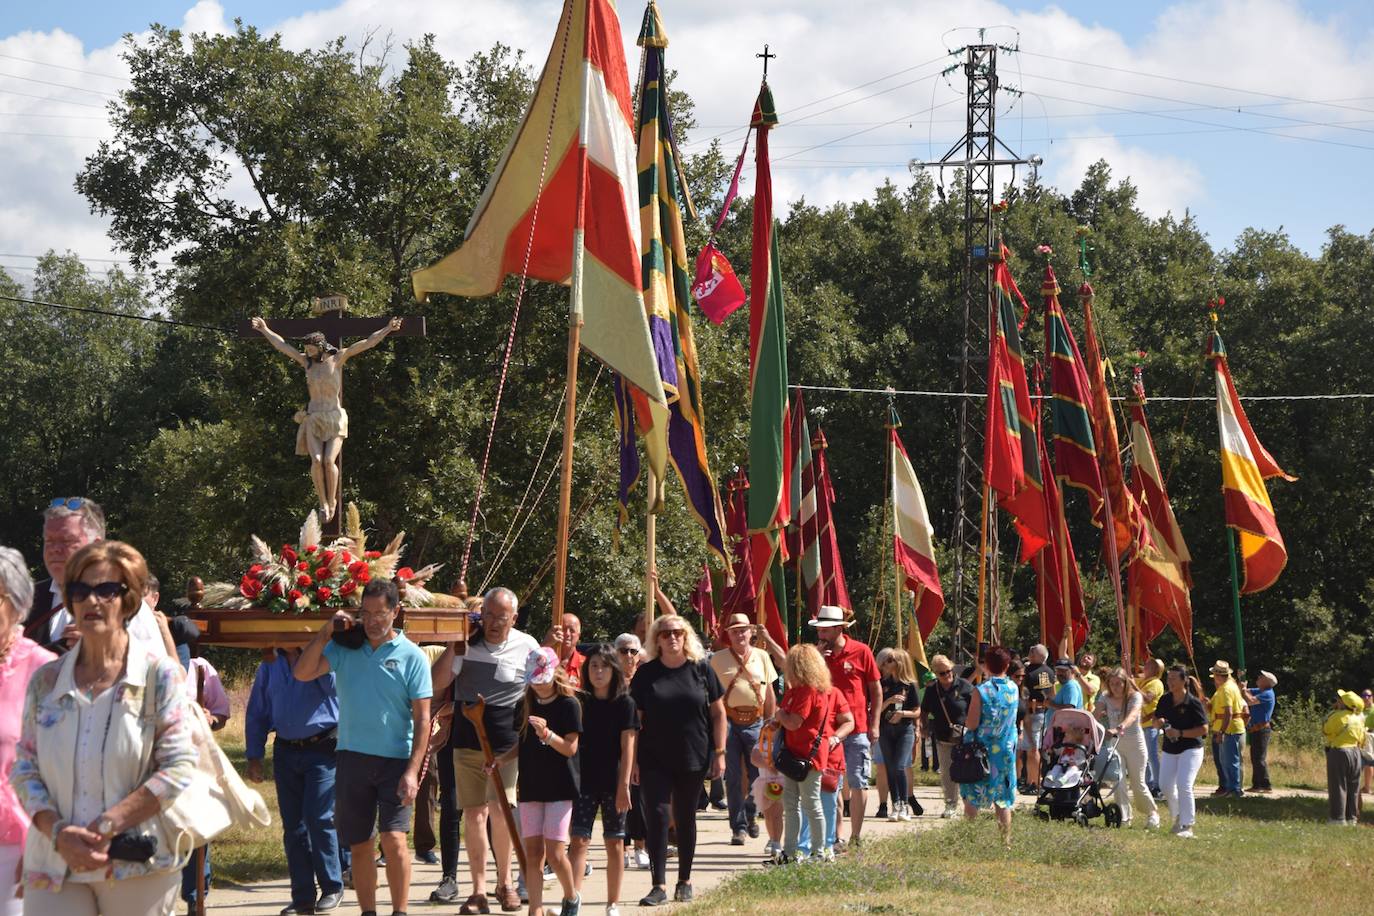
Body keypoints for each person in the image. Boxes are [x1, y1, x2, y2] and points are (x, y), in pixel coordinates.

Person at [10, 541, 196, 914]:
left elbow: (178, 767)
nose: (91, 601)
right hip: (54, 859)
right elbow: (24, 767)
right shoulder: (46, 680)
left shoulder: (159, 676)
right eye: (79, 591)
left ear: (128, 600)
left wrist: (107, 825)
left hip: (138, 860)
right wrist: (59, 833)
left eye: (106, 589)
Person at [294, 579, 433, 916]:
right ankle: (368, 911)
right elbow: (302, 672)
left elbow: (424, 718)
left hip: (396, 761)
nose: (371, 621)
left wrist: (413, 771)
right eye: (365, 613)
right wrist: (327, 631)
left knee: (395, 840)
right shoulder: (345, 649)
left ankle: (399, 911)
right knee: (360, 844)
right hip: (352, 757)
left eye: (380, 613)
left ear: (396, 612)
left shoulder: (412, 656)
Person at [431, 587, 539, 914]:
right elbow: (436, 683)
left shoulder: (527, 646)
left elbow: (544, 686)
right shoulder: (467, 644)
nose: (492, 623)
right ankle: (477, 891)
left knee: (501, 814)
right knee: (475, 814)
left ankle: (505, 883)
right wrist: (455, 643)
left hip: (505, 747)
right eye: (488, 615)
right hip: (466, 742)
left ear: (514, 618)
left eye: (500, 618)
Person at [249, 315, 405, 521]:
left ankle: (332, 501)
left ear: (321, 346)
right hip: (313, 418)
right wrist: (264, 329)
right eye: (307, 349)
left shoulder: (338, 358)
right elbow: (282, 345)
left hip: (334, 417)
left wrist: (387, 329)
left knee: (329, 460)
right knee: (317, 460)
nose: (308, 352)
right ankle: (323, 503)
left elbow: (368, 342)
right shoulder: (307, 363)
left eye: (312, 349)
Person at [630, 614, 725, 906]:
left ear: (686, 637)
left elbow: (719, 714)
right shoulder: (647, 674)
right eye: (666, 633)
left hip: (693, 756)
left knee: (685, 818)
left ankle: (684, 880)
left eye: (678, 633)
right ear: (657, 639)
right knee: (657, 817)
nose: (672, 638)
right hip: (653, 757)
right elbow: (635, 720)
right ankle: (658, 884)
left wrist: (719, 753)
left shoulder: (702, 669)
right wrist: (632, 761)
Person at [246, 646, 346, 916]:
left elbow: (337, 691)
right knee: (293, 826)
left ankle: (332, 887)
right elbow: (258, 710)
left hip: (323, 747)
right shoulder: (269, 663)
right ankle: (302, 896)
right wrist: (254, 755)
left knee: (319, 817)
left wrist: (310, 655)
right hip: (286, 750)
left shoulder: (325, 656)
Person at [487, 648, 581, 916]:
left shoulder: (568, 705)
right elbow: (522, 743)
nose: (539, 684)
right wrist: (501, 760)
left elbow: (570, 748)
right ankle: (535, 909)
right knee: (532, 853)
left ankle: (571, 895)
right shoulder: (525, 703)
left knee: (555, 853)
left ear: (555, 674)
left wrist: (548, 734)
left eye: (543, 677)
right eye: (534, 679)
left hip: (560, 787)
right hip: (531, 786)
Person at [0, 548, 58, 915]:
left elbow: (64, 766)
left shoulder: (44, 672)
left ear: (15, 602)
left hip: (17, 847)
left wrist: (46, 844)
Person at [567, 645, 636, 916]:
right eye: (593, 665)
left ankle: (612, 903)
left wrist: (624, 785)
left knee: (615, 842)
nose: (598, 671)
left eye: (604, 666)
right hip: (583, 779)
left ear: (613, 669)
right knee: (579, 840)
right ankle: (572, 900)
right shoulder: (579, 700)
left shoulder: (625, 702)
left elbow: (628, 745)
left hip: (613, 780)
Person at [170, 619, 230, 911]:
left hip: (194, 759)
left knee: (194, 825)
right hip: (157, 759)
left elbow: (221, 714)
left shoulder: (201, 669)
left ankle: (195, 894)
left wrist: (210, 719)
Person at [810, 606, 881, 844]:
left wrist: (875, 723)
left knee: (858, 780)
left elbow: (875, 689)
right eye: (819, 628)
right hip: (827, 731)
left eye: (826, 629)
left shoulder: (861, 651)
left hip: (858, 728)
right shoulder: (815, 655)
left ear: (839, 628)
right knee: (832, 784)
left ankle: (856, 835)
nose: (821, 633)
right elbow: (804, 686)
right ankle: (836, 836)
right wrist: (817, 661)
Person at [776, 644, 853, 864]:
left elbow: (793, 722)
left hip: (808, 757)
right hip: (793, 755)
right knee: (791, 804)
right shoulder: (795, 690)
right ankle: (790, 851)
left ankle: (820, 851)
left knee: (811, 804)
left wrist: (779, 714)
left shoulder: (808, 692)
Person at [708, 613, 778, 845]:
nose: (739, 634)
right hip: (728, 721)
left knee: (757, 773)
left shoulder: (762, 657)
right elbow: (710, 695)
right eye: (735, 630)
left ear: (751, 633)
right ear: (728, 634)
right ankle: (737, 827)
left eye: (743, 630)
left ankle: (751, 811)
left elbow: (769, 692)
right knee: (734, 777)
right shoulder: (717, 659)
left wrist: (771, 721)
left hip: (756, 721)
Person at [22, 498, 105, 652]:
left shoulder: (124, 601)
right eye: (49, 541)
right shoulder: (26, 600)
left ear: (96, 546)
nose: (55, 549)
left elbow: (154, 669)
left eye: (66, 540)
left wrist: (103, 647)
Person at [959, 646, 1018, 845]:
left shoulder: (981, 690)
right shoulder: (1013, 688)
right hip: (1005, 749)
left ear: (985, 664)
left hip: (981, 752)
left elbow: (973, 723)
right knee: (1002, 797)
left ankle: (969, 840)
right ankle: (1006, 842)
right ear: (1007, 665)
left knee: (973, 792)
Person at [1094, 668, 1160, 828]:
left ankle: (1152, 813)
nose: (1115, 687)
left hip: (1135, 744)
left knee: (1138, 784)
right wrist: (1086, 724)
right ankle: (1124, 818)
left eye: (1119, 683)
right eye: (1112, 683)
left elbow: (1133, 715)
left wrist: (1119, 727)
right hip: (1115, 746)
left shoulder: (1135, 696)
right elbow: (1096, 713)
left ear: (1126, 683)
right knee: (1119, 782)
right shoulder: (1105, 696)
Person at [1152, 665, 1210, 838]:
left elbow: (1204, 729)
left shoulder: (1193, 702)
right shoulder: (1165, 700)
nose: (1170, 682)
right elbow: (1155, 721)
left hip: (1191, 748)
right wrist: (1159, 722)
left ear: (1184, 680)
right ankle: (1178, 816)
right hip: (1170, 748)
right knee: (1165, 785)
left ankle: (1187, 825)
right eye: (1168, 678)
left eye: (1173, 679)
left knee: (1184, 784)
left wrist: (1180, 733)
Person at [612, 634, 650, 872]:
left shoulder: (644, 682)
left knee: (640, 797)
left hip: (642, 746)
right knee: (618, 795)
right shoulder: (610, 682)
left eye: (633, 651)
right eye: (623, 651)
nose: (628, 656)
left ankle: (640, 846)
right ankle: (622, 846)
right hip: (614, 746)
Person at [919, 654, 974, 818]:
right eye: (942, 673)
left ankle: (969, 805)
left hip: (965, 737)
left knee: (966, 772)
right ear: (936, 674)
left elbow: (976, 709)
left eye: (949, 671)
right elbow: (924, 711)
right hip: (943, 737)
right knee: (947, 772)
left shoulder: (965, 686)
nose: (947, 675)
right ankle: (950, 804)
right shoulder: (932, 690)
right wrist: (924, 726)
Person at [877, 649, 919, 822]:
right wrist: (889, 701)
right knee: (890, 767)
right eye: (884, 661)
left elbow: (917, 711)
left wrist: (904, 714)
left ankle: (904, 805)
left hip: (904, 730)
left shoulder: (909, 685)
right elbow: (875, 710)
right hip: (885, 730)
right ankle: (896, 805)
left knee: (900, 766)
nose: (885, 664)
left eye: (889, 660)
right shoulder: (881, 683)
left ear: (899, 663)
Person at [1325, 690, 1367, 826]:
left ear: (1344, 703)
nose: (1338, 700)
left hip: (1339, 752)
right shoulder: (1359, 719)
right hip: (1356, 752)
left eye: (1340, 699)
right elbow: (1362, 738)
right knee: (1353, 786)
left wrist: (1334, 712)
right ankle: (1352, 818)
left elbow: (1325, 730)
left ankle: (1338, 819)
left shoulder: (1337, 716)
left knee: (1338, 785)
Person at [1208, 660, 1246, 798]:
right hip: (1230, 727)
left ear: (1218, 676)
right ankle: (1231, 788)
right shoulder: (1231, 686)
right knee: (1228, 760)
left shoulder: (1225, 689)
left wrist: (1221, 732)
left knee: (1230, 761)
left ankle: (1234, 789)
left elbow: (1228, 712)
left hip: (1229, 729)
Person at [1020, 644, 1053, 794]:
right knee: (1032, 748)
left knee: (1031, 749)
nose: (1030, 654)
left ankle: (1034, 783)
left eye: (1032, 652)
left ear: (1039, 655)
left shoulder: (1031, 671)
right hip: (1040, 712)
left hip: (1032, 713)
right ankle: (1031, 781)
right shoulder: (1049, 672)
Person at [1244, 670, 1278, 794]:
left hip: (1262, 730)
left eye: (1261, 677)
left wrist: (1243, 690)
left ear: (1267, 682)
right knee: (1255, 757)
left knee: (1259, 758)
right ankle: (1258, 784)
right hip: (1257, 729)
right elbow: (1247, 693)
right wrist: (1242, 687)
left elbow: (1250, 701)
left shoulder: (1268, 694)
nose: (1258, 677)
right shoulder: (1262, 691)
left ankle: (1265, 784)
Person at [1138, 659, 1166, 799]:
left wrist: (1133, 686)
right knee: (1144, 757)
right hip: (1142, 724)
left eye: (1148, 665)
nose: (1144, 666)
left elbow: (1148, 699)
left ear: (1155, 669)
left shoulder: (1156, 683)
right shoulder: (1144, 681)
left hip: (1150, 723)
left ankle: (1159, 786)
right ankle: (1149, 784)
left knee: (1152, 755)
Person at [547, 614, 586, 688]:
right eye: (563, 629)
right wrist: (546, 643)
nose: (567, 634)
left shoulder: (585, 664)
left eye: (572, 630)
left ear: (578, 635)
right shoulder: (545, 660)